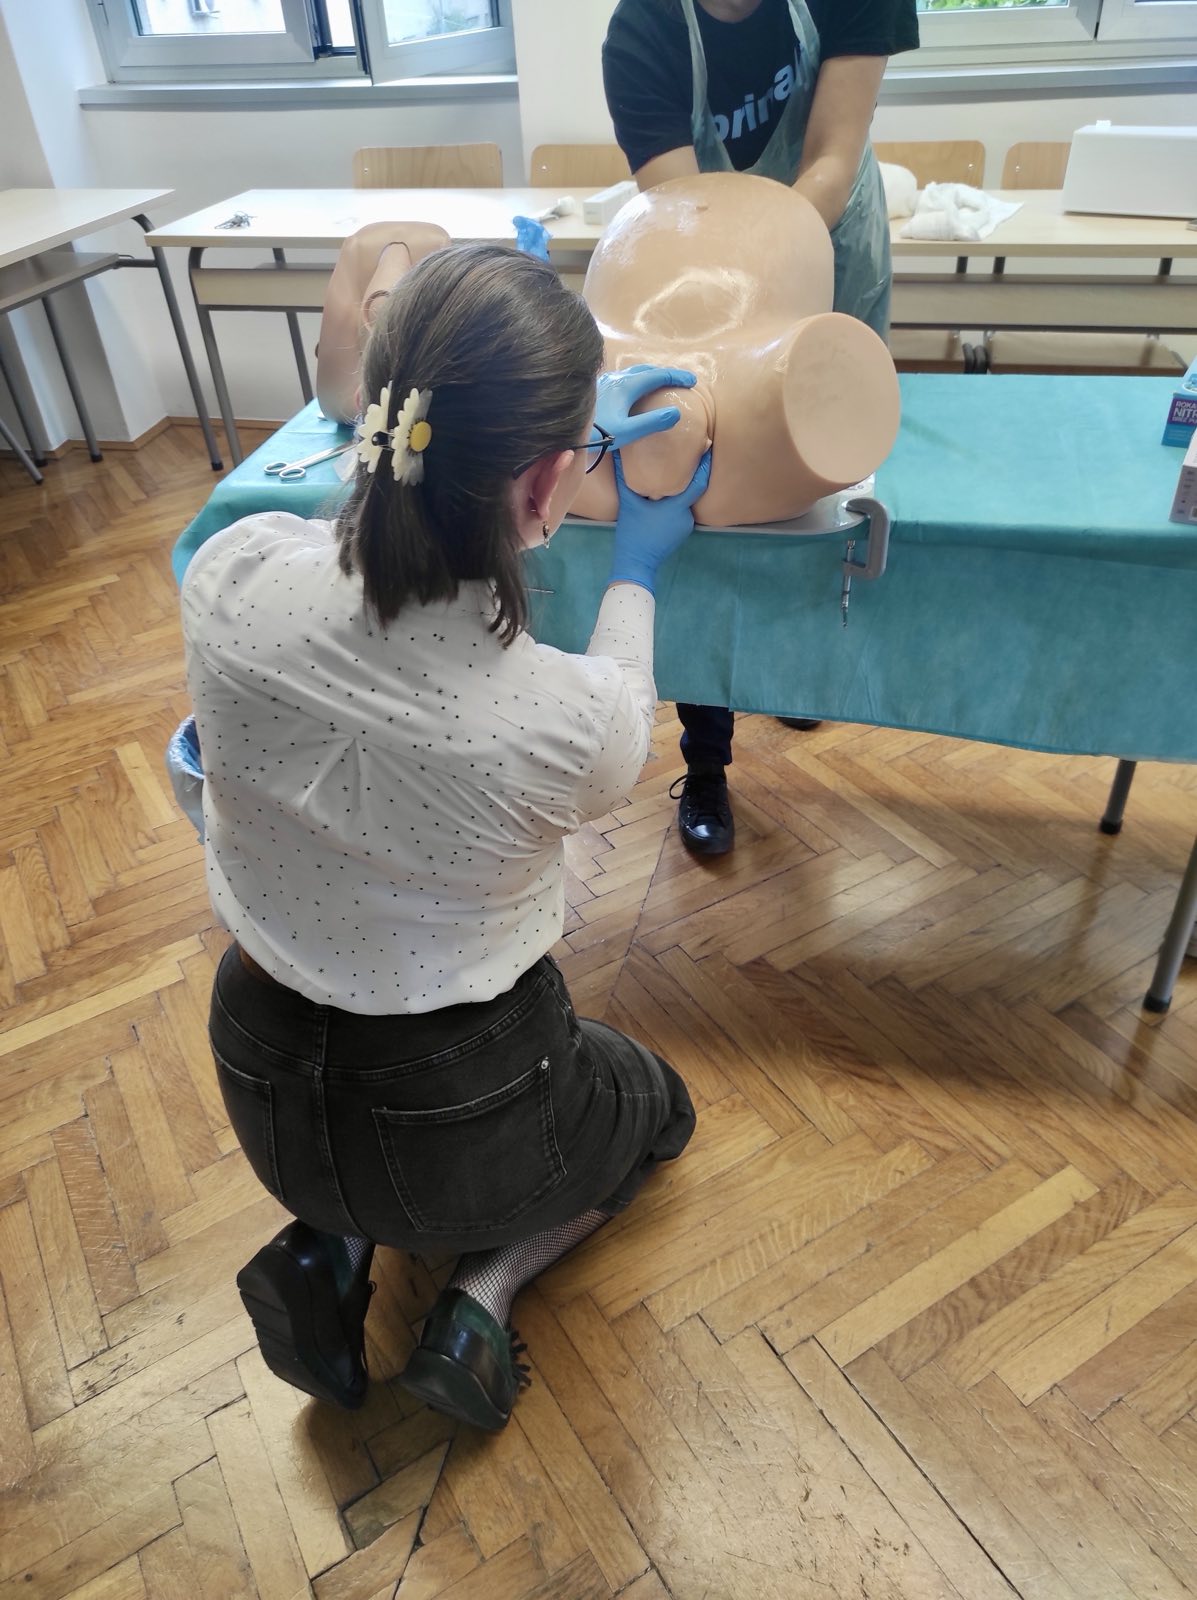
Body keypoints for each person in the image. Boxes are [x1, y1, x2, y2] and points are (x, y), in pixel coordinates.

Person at [182, 242, 709, 1431]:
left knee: (368, 1143)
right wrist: (635, 567)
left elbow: (344, 538)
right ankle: (479, 1295)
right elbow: (625, 706)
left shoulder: (230, 573)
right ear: (546, 487)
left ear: (382, 419)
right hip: (457, 1098)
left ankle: (325, 1247)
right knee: (654, 1106)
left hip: (260, 1072)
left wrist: (521, 454)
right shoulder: (562, 719)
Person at [603, 0, 919, 858]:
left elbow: (831, 155)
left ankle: (790, 672)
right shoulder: (643, 32)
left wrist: (779, 261)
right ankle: (706, 759)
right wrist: (735, 323)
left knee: (822, 494)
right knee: (702, 502)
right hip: (702, 276)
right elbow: (685, 210)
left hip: (826, 250)